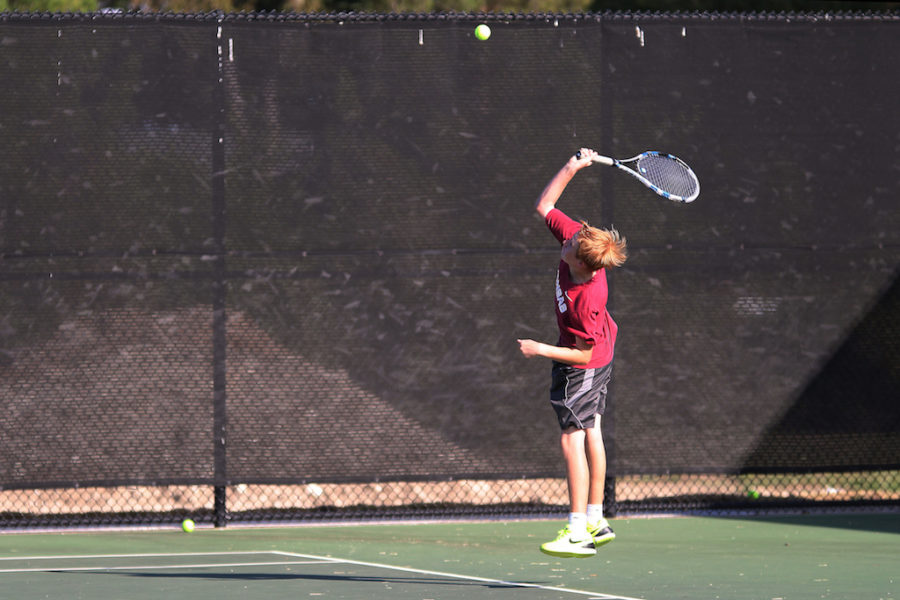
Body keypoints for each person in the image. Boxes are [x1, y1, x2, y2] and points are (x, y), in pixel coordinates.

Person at [517, 148, 627, 559]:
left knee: (572, 437)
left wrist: (540, 349)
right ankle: (597, 519)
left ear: (583, 265)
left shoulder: (586, 299)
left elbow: (581, 356)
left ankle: (578, 529)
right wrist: (572, 166)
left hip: (583, 362)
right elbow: (545, 205)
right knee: (592, 429)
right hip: (598, 354)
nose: (565, 243)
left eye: (571, 246)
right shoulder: (578, 242)